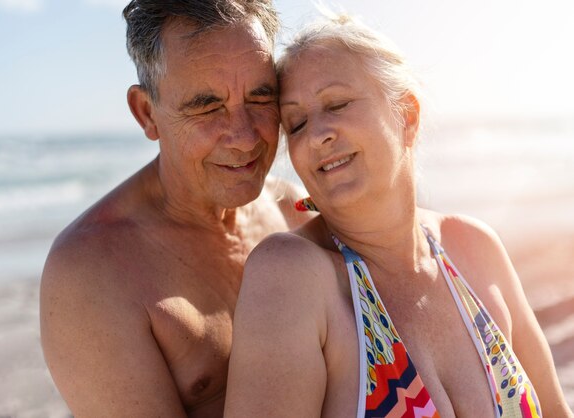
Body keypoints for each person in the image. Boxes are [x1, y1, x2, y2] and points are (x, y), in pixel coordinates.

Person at [224, 13, 573, 418]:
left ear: (406, 114)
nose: (317, 134)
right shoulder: (293, 276)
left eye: (336, 104)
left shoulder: (475, 248)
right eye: (297, 124)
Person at [39, 1, 312, 417]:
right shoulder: (91, 272)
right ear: (147, 114)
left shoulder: (296, 213)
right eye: (207, 106)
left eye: (260, 98)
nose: (243, 136)